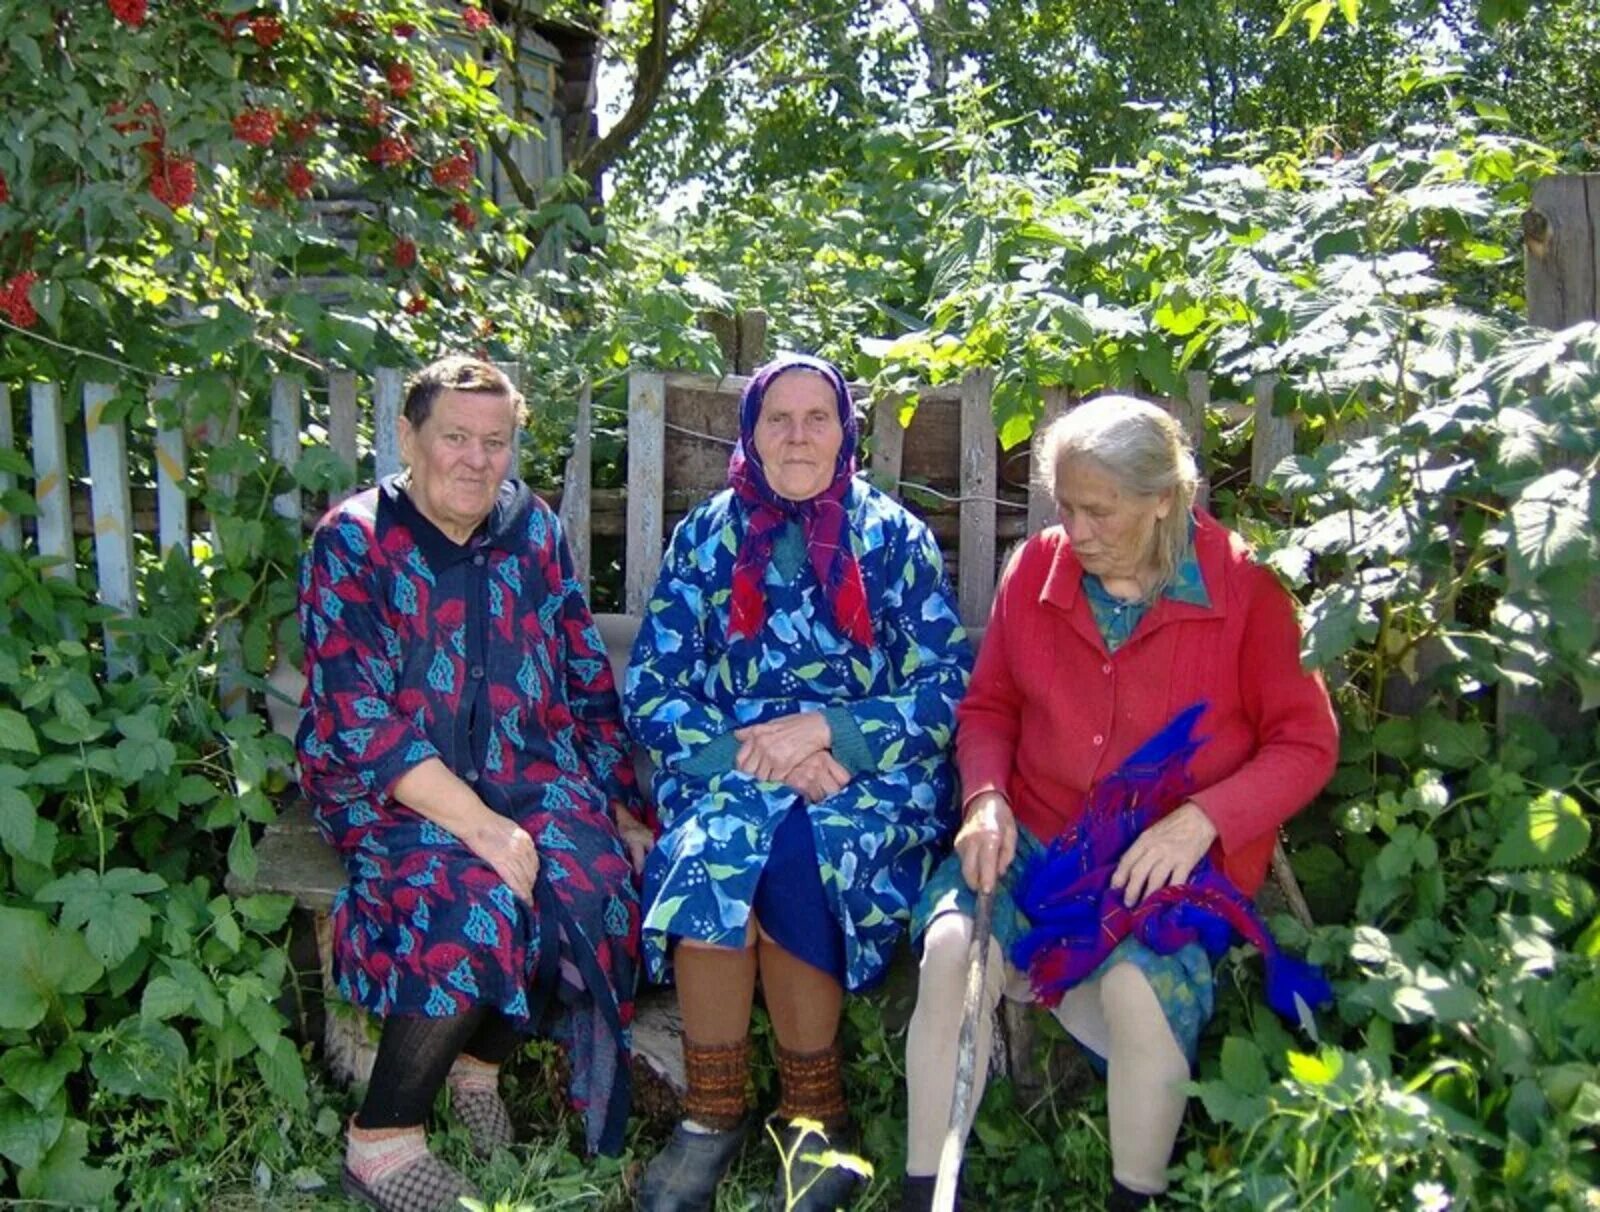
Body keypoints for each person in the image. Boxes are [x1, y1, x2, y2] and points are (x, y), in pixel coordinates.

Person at [900, 395, 1339, 1211]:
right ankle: (926, 1194)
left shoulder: (1245, 587)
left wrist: (1206, 817)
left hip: (1164, 849)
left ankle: (1133, 1196)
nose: (1077, 529)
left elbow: (1308, 743)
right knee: (953, 949)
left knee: (1140, 993)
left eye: (1098, 510)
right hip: (1035, 831)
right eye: (1065, 506)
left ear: (1163, 499)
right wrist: (987, 798)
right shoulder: (1037, 567)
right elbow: (989, 708)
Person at [295, 355, 654, 1212]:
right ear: (409, 437)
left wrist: (620, 806)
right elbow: (357, 718)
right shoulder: (352, 540)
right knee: (482, 894)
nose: (476, 458)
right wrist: (483, 828)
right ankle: (383, 1135)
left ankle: (475, 1065)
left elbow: (580, 671)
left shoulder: (533, 531)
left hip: (530, 768)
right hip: (392, 785)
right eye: (454, 436)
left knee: (597, 889)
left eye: (495, 441)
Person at [624, 353, 972, 1212]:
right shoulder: (705, 538)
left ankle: (817, 1119)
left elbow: (944, 690)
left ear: (845, 431)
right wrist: (759, 752)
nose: (798, 435)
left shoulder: (891, 538)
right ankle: (713, 1116)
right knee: (722, 842)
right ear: (750, 431)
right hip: (729, 762)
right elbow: (653, 691)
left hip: (864, 775)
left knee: (806, 842)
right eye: (778, 418)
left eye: (818, 418)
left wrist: (830, 733)